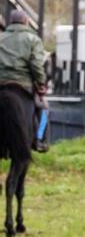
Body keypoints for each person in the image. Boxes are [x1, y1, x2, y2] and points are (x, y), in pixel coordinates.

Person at [0, 10, 47, 148]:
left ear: (10, 23)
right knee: (43, 108)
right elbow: (36, 65)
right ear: (26, 22)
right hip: (23, 84)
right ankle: (39, 140)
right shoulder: (33, 40)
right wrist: (41, 84)